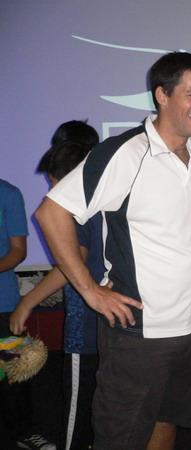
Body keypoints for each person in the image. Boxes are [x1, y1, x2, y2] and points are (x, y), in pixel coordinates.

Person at [34, 52, 191, 450]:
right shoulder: (125, 152)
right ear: (162, 95)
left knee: (167, 422)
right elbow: (52, 213)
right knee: (120, 438)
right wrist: (90, 290)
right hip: (139, 333)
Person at [11, 122, 101, 450]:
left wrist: (27, 302)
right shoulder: (104, 200)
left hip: (86, 329)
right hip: (112, 331)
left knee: (78, 421)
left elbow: (70, 265)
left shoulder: (74, 207)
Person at [0, 179, 56, 450]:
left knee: (13, 375)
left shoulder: (8, 193)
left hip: (3, 302)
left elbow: (18, 251)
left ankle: (24, 432)